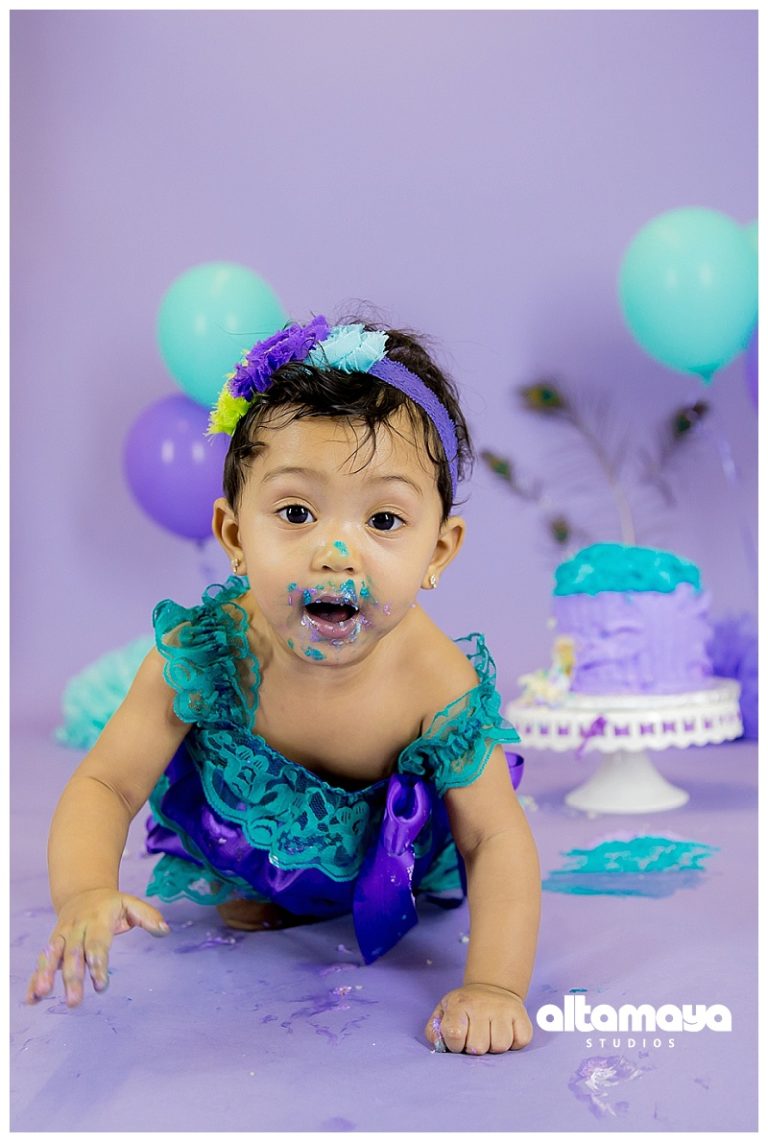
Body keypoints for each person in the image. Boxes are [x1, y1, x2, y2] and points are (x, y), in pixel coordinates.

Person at [26, 314, 541, 1055]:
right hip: (253, 848)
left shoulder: (437, 686)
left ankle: (341, 893)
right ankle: (276, 889)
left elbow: (494, 838)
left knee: (466, 836)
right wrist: (84, 891)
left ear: (438, 551)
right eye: (296, 512)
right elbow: (107, 782)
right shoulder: (206, 652)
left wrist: (495, 985)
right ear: (235, 536)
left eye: (384, 519)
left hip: (388, 862)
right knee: (241, 902)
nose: (336, 552)